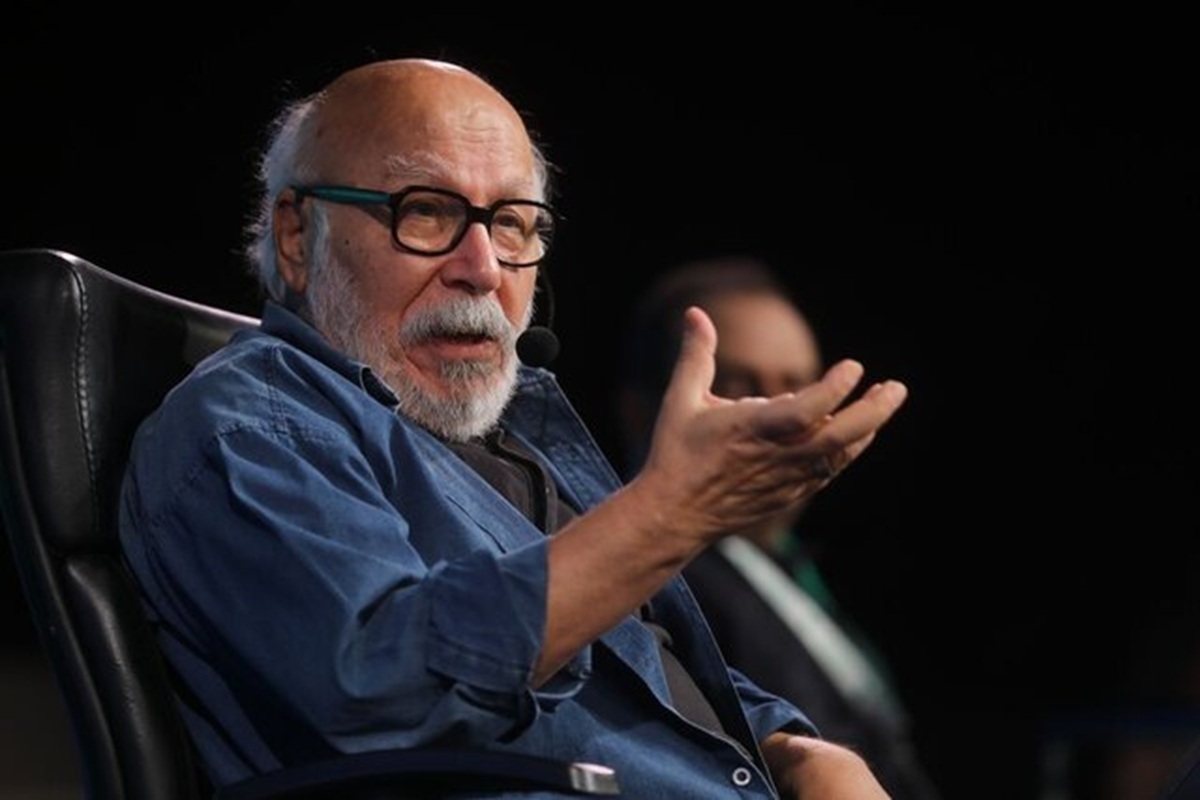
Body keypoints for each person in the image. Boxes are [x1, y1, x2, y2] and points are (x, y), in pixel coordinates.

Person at [117, 57, 909, 798]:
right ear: (298, 236)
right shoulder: (252, 429)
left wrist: (794, 749)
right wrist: (670, 513)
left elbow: (639, 671)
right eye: (426, 212)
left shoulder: (502, 442)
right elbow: (380, 691)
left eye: (512, 224)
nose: (483, 268)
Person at [616, 256, 942, 800]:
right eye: (741, 384)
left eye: (798, 386)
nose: (783, 413)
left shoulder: (790, 569)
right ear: (640, 410)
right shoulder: (643, 580)